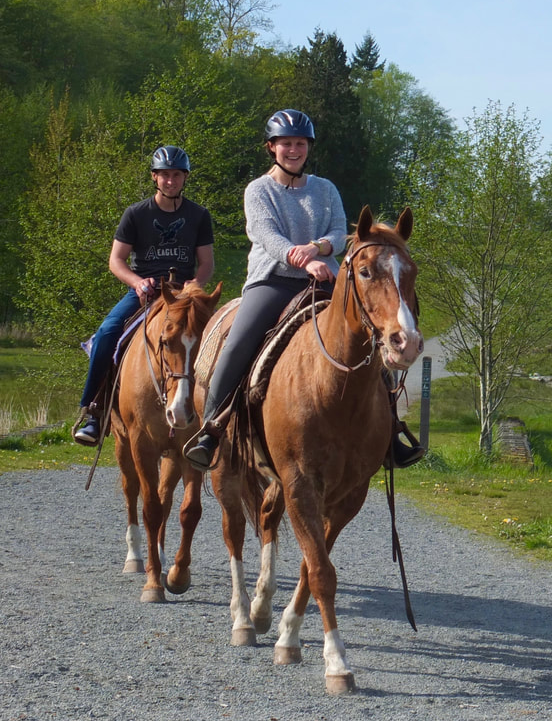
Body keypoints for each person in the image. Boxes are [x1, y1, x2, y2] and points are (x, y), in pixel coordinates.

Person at [183, 109, 425, 471]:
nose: (293, 150)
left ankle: (389, 432)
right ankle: (211, 429)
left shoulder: (325, 188)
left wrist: (319, 249)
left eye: (300, 144)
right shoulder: (258, 190)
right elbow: (267, 236)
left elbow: (340, 230)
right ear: (271, 147)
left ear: (307, 148)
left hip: (326, 281)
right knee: (238, 343)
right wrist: (301, 259)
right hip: (272, 280)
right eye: (285, 144)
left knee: (370, 339)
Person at [73, 146, 215, 446]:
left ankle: (219, 417)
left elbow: (206, 264)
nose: (170, 181)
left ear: (184, 178)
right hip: (145, 294)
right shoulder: (136, 214)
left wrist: (194, 287)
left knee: (222, 337)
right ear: (154, 177)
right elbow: (116, 260)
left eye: (176, 175)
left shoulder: (199, 215)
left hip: (182, 295)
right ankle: (94, 411)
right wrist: (137, 283)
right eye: (164, 175)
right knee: (106, 333)